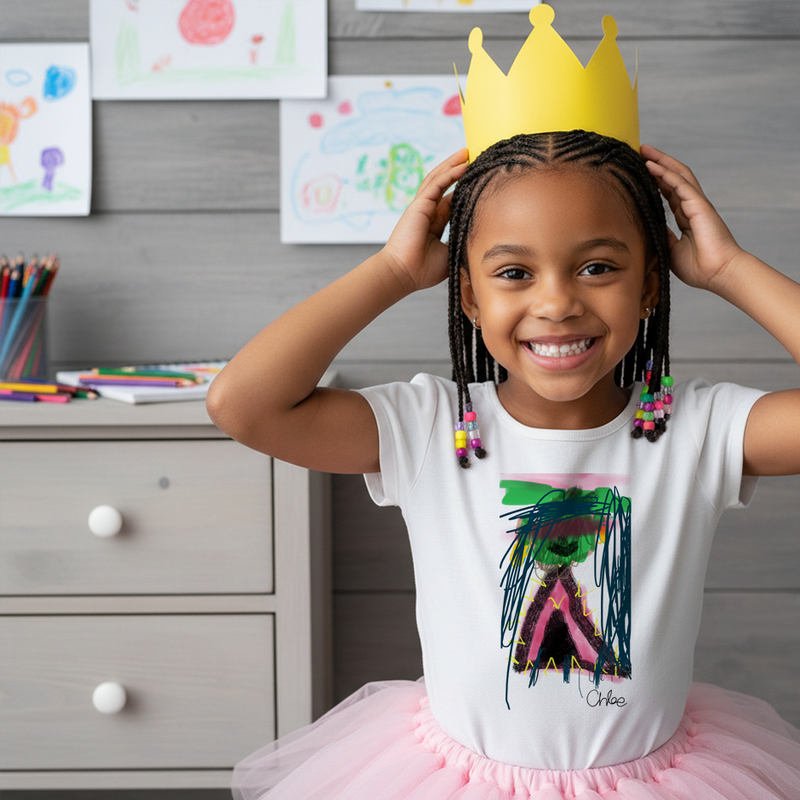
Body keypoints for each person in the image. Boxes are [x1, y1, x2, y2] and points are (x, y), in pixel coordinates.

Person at [206, 129, 800, 798]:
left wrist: (729, 268)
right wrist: (393, 271)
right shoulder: (428, 426)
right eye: (514, 273)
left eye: (598, 267)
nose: (556, 303)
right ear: (468, 296)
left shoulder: (695, 428)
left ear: (650, 286)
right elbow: (243, 405)